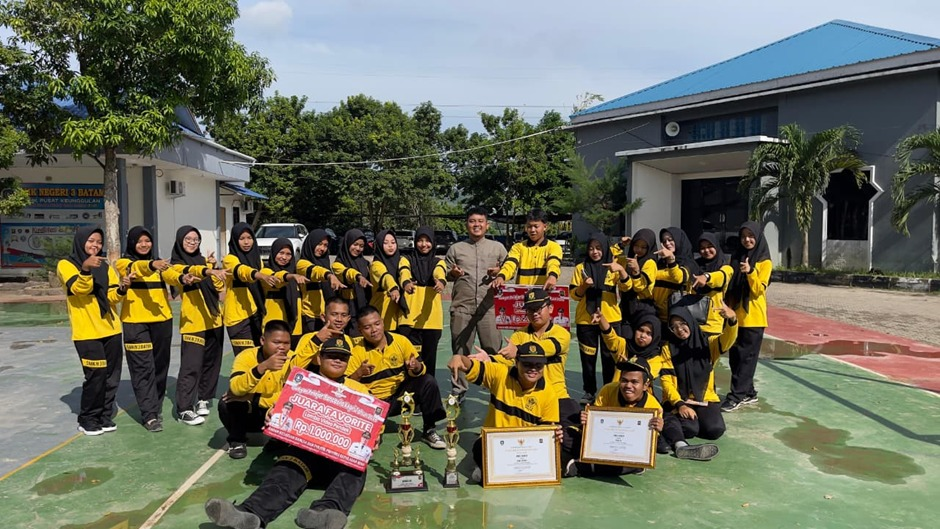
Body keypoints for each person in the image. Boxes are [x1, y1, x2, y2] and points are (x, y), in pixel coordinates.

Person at [205, 337, 370, 529]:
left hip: (339, 462)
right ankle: (249, 514)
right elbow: (278, 405)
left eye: (342, 357)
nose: (337, 360)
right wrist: (272, 416)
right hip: (304, 456)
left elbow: (372, 426)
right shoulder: (302, 382)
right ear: (319, 358)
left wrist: (372, 439)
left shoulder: (359, 390)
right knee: (284, 471)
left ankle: (324, 514)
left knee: (356, 466)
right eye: (331, 355)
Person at [447, 342, 566, 480]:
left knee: (558, 449)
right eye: (527, 364)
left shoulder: (549, 394)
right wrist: (459, 357)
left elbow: (545, 432)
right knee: (479, 447)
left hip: (526, 447)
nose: (533, 369)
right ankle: (490, 469)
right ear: (516, 362)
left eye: (538, 365)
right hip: (497, 443)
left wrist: (554, 436)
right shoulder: (500, 373)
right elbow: (471, 366)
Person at [490, 288, 578, 471]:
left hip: (557, 396)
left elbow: (545, 348)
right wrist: (488, 360)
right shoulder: (519, 335)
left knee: (573, 438)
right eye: (530, 310)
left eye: (539, 308)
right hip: (526, 398)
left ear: (550, 308)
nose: (534, 313)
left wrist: (518, 351)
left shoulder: (561, 334)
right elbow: (506, 358)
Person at [58, 226, 128, 435]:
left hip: (111, 329)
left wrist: (123, 288)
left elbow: (112, 297)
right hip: (87, 332)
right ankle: (88, 418)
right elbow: (80, 290)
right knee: (96, 375)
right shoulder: (66, 265)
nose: (95, 245)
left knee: (112, 377)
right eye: (91, 241)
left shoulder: (105, 266)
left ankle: (104, 416)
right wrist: (86, 269)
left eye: (98, 241)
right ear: (81, 242)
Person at [346, 306, 447, 449]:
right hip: (372, 404)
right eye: (367, 327)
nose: (374, 330)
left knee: (428, 381)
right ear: (360, 330)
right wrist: (358, 374)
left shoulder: (401, 341)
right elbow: (345, 387)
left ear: (383, 322)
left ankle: (429, 430)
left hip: (398, 399)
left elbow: (421, 369)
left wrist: (416, 367)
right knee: (370, 445)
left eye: (377, 324)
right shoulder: (356, 351)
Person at [115, 226, 182, 432]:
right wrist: (153, 264)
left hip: (162, 321)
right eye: (139, 241)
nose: (144, 245)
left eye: (147, 241)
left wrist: (183, 279)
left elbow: (172, 275)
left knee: (160, 366)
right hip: (135, 323)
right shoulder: (124, 263)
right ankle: (149, 414)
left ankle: (155, 404)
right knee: (142, 368)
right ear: (132, 243)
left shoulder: (160, 264)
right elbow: (138, 268)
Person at [444, 207, 507, 401]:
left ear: (487, 225)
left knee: (494, 350)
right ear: (466, 224)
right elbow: (444, 273)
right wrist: (452, 273)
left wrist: (500, 272)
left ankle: (496, 388)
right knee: (460, 350)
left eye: (480, 221)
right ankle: (458, 390)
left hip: (490, 307)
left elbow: (509, 269)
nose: (476, 225)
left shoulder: (498, 248)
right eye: (472, 221)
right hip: (462, 307)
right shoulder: (456, 249)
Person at [170, 225, 228, 425]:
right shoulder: (176, 265)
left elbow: (220, 291)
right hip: (193, 323)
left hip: (214, 319)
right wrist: (207, 270)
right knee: (191, 366)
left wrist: (215, 270)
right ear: (180, 241)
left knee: (211, 363)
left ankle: (203, 398)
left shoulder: (205, 262)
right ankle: (184, 408)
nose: (192, 242)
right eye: (188, 239)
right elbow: (186, 273)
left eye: (195, 239)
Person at [661, 304, 738, 452]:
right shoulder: (668, 348)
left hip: (704, 398)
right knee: (690, 429)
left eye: (682, 323)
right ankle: (672, 420)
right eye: (673, 327)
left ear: (690, 321)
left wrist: (732, 319)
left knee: (715, 430)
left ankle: (693, 423)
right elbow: (666, 381)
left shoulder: (708, 344)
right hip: (680, 399)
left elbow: (727, 340)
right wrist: (679, 404)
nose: (679, 329)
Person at [575, 357, 666, 476]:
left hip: (630, 448)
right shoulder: (608, 390)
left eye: (634, 382)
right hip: (606, 442)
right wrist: (588, 421)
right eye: (624, 380)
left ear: (645, 385)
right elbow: (596, 427)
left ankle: (586, 467)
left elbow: (646, 444)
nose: (628, 385)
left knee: (630, 460)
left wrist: (658, 429)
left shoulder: (653, 408)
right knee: (570, 437)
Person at [569, 233, 631, 404]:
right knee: (588, 358)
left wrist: (621, 271)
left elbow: (627, 287)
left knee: (610, 358)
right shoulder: (581, 268)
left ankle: (610, 391)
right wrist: (584, 286)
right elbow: (574, 295)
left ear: (604, 248)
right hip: (586, 320)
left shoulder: (614, 265)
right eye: (591, 248)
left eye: (598, 248)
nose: (594, 252)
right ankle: (589, 392)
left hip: (610, 319)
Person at [218, 319, 292, 459]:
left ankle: (278, 439)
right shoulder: (246, 357)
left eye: (286, 343)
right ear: (263, 340)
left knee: (292, 406)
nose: (282, 347)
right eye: (276, 342)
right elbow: (236, 388)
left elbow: (293, 396)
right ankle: (237, 440)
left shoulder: (292, 360)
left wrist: (255, 398)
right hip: (250, 415)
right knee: (227, 402)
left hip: (273, 413)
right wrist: (262, 367)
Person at [722, 221, 772, 412]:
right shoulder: (736, 257)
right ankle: (749, 392)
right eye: (743, 236)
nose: (747, 240)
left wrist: (750, 272)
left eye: (751, 236)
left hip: (753, 318)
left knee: (746, 360)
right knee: (735, 358)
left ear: (758, 237)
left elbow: (758, 289)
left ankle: (736, 396)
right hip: (735, 316)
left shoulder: (764, 262)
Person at [222, 223, 277, 355]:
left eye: (249, 238)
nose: (246, 242)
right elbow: (241, 270)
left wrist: (282, 276)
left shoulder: (257, 259)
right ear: (235, 240)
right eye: (242, 239)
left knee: (259, 356)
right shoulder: (230, 259)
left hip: (256, 314)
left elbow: (266, 272)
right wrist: (259, 275)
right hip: (238, 318)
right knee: (246, 358)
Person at [400, 227, 448, 375]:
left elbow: (439, 272)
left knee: (429, 362)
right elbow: (404, 271)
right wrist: (406, 283)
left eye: (427, 241)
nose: (424, 244)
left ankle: (428, 387)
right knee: (409, 361)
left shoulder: (438, 262)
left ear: (433, 243)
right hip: (409, 319)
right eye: (420, 240)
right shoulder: (406, 259)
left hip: (431, 320)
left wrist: (440, 282)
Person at [491, 208, 563, 291]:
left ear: (545, 227)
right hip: (521, 295)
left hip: (543, 294)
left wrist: (552, 276)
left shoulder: (554, 247)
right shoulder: (518, 247)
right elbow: (510, 265)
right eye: (529, 226)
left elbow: (554, 263)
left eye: (536, 226)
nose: (532, 230)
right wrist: (501, 276)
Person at [259, 238, 311, 348]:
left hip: (295, 328)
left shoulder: (297, 274)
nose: (284, 257)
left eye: (288, 254)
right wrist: (290, 276)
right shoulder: (265, 272)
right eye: (281, 253)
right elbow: (277, 279)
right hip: (274, 327)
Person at [297, 229, 346, 333]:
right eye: (319, 244)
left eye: (325, 245)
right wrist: (329, 276)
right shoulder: (302, 264)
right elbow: (315, 271)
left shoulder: (325, 263)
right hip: (311, 317)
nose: (322, 248)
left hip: (327, 316)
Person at [613, 229, 659, 333]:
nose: (639, 249)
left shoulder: (650, 263)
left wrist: (636, 271)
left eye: (643, 247)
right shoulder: (627, 260)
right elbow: (609, 259)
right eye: (636, 245)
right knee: (624, 337)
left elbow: (639, 287)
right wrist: (620, 245)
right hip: (626, 306)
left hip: (642, 308)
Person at [691, 232, 734, 336]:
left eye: (710, 246)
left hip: (713, 325)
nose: (706, 250)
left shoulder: (725, 268)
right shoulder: (694, 266)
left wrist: (706, 277)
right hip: (692, 323)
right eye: (702, 248)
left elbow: (721, 277)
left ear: (716, 246)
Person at [369, 229, 413, 331]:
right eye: (385, 243)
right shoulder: (376, 265)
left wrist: (406, 283)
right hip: (383, 313)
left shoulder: (401, 260)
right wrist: (393, 288)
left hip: (399, 315)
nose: (390, 246)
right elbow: (385, 277)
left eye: (393, 242)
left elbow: (404, 272)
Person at [332, 229, 373, 332]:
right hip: (347, 308)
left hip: (363, 306)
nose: (358, 248)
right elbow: (347, 273)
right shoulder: (338, 264)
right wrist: (358, 277)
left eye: (361, 246)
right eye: (355, 244)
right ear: (347, 243)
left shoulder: (366, 263)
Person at [652, 227, 697, 322]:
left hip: (679, 319)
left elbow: (679, 278)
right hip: (658, 316)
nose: (667, 243)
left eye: (670, 240)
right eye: (664, 241)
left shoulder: (689, 263)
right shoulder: (660, 263)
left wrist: (671, 260)